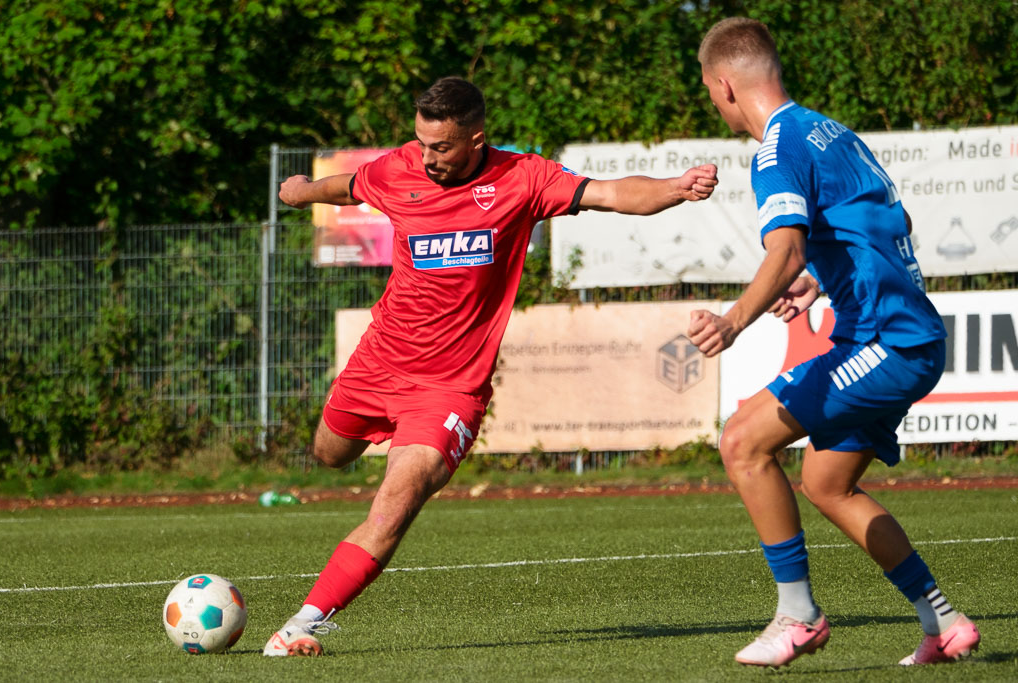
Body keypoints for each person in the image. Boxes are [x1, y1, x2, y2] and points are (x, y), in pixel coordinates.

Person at [264, 76, 719, 657]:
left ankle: (302, 624)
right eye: (422, 143)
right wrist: (300, 192)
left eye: (443, 148)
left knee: (395, 504)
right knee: (328, 454)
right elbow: (348, 187)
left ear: (476, 139)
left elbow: (611, 193)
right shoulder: (398, 168)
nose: (428, 159)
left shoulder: (522, 179)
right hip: (379, 361)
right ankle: (368, 449)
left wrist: (675, 188)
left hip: (449, 389)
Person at [689, 17, 981, 669]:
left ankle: (799, 614)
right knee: (826, 480)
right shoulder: (832, 132)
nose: (715, 103)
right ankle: (944, 620)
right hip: (904, 336)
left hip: (888, 340)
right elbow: (886, 220)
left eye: (710, 91)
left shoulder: (775, 149)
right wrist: (820, 278)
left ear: (726, 86)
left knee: (741, 439)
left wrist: (735, 320)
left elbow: (786, 243)